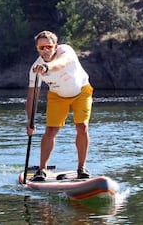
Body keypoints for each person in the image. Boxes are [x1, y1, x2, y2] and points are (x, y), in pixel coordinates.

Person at [26, 30, 93, 181]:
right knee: (51, 131)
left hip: (82, 92)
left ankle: (81, 168)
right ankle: (42, 169)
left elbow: (60, 64)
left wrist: (47, 68)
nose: (45, 51)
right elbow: (32, 97)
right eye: (41, 48)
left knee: (82, 126)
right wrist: (30, 121)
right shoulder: (35, 68)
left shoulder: (66, 51)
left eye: (48, 47)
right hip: (57, 96)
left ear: (55, 46)